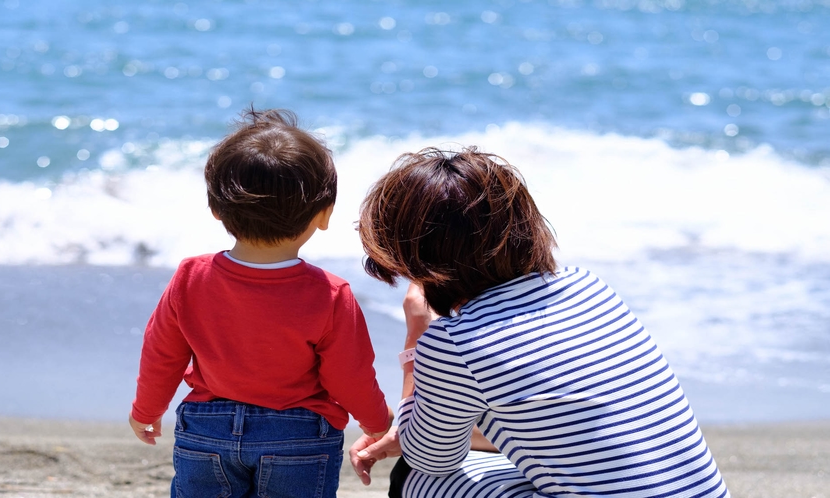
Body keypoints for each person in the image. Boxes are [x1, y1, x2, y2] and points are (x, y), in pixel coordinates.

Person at [349, 147, 729, 497]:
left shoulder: (456, 342)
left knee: (416, 481)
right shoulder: (591, 288)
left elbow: (431, 459)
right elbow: (559, 426)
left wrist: (418, 332)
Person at [129, 108, 391, 498]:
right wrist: (374, 420)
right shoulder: (330, 294)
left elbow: (162, 353)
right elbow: (348, 374)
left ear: (216, 209)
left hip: (206, 429)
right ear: (324, 214)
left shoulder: (190, 277)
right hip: (298, 434)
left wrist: (146, 410)